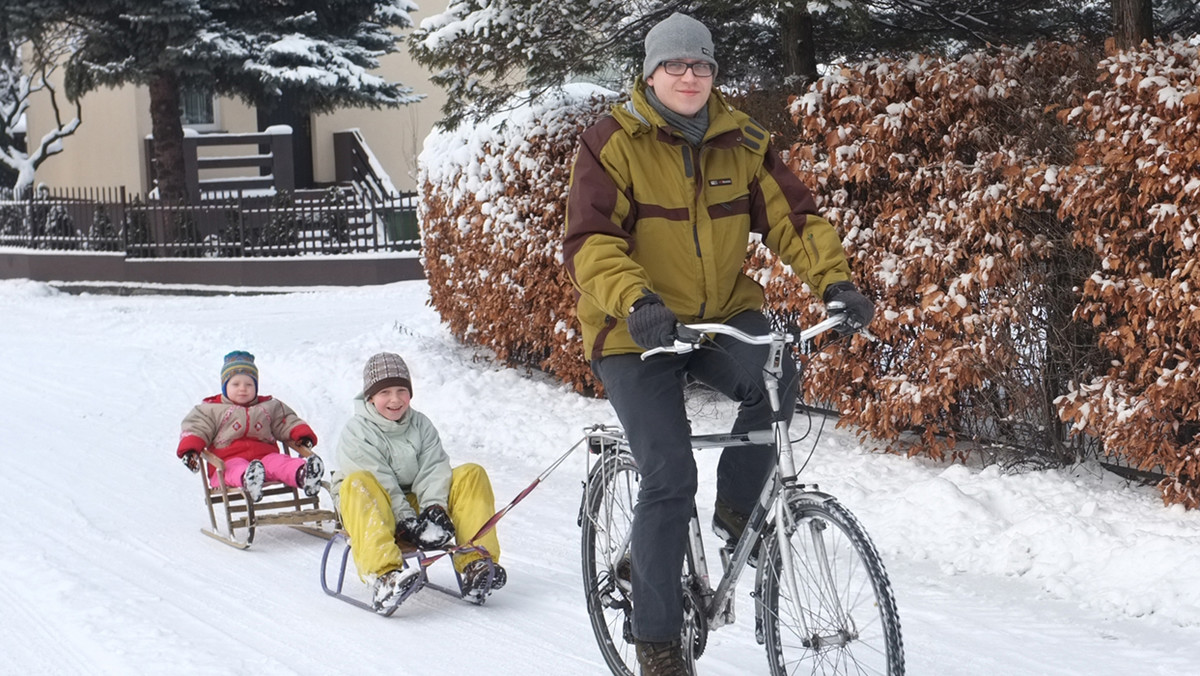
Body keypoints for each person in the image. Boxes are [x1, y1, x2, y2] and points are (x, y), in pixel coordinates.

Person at [563, 12, 875, 675]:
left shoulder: (744, 142)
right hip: (634, 331)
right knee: (669, 474)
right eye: (674, 66)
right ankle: (656, 645)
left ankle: (737, 517)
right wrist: (637, 301)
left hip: (719, 318)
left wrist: (836, 283)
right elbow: (591, 243)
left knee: (778, 367)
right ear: (650, 74)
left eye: (701, 65)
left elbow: (794, 221)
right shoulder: (611, 143)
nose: (689, 76)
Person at [331, 352, 507, 613]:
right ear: (370, 397)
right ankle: (384, 577)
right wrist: (406, 520)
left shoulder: (421, 424)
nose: (395, 399)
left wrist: (434, 508)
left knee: (471, 473)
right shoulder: (356, 432)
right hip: (367, 504)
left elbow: (433, 468)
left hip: (409, 501)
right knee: (359, 482)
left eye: (402, 390)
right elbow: (381, 480)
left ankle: (476, 564)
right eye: (385, 392)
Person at [177, 350, 324, 503]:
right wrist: (191, 450)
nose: (243, 388)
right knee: (234, 468)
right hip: (227, 462)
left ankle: (304, 474)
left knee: (280, 462)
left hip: (265, 457)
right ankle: (250, 479)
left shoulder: (268, 407)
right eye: (235, 384)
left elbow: (287, 420)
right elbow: (196, 428)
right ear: (224, 387)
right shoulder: (211, 409)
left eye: (249, 384)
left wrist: (302, 435)